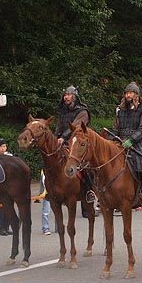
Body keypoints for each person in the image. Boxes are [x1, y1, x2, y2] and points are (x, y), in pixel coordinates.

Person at [107, 81, 142, 211]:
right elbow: (116, 127)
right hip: (121, 141)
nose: (128, 95)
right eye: (127, 93)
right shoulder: (121, 111)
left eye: (131, 93)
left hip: (138, 142)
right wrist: (112, 139)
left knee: (141, 159)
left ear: (136, 95)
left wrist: (131, 140)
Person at [55, 85, 95, 215]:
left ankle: (89, 191)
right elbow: (59, 127)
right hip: (65, 143)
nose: (66, 97)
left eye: (68, 95)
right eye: (65, 95)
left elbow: (76, 126)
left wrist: (63, 138)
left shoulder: (82, 111)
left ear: (74, 96)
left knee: (85, 166)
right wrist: (55, 139)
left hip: (80, 142)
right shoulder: (63, 111)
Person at [0, 139, 12, 236]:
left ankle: (7, 226)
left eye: (4, 146)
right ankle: (0, 228)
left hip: (9, 185)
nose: (3, 148)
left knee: (8, 206)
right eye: (1, 147)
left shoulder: (10, 157)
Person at [39, 169, 54, 235]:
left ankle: (58, 227)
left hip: (55, 194)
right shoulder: (44, 172)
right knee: (46, 212)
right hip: (47, 194)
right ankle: (46, 228)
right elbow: (42, 183)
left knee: (58, 211)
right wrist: (41, 193)